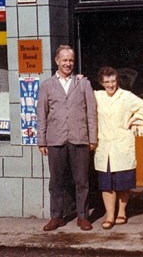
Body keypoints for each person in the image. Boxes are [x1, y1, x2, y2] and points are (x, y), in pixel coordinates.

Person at [37, 45, 97, 232]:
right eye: (64, 60)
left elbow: (92, 112)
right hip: (55, 139)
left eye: (71, 60)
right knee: (56, 181)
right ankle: (56, 217)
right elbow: (41, 114)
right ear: (57, 61)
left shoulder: (83, 84)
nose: (68, 64)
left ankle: (83, 217)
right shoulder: (47, 85)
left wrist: (92, 138)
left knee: (82, 181)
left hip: (79, 138)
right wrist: (42, 140)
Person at [94, 66, 143, 229]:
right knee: (106, 183)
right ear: (101, 83)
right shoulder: (97, 96)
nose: (110, 85)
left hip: (122, 143)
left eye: (113, 81)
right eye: (107, 82)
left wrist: (134, 119)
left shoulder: (126, 96)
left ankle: (122, 212)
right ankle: (110, 215)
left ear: (117, 80)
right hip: (104, 145)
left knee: (122, 181)